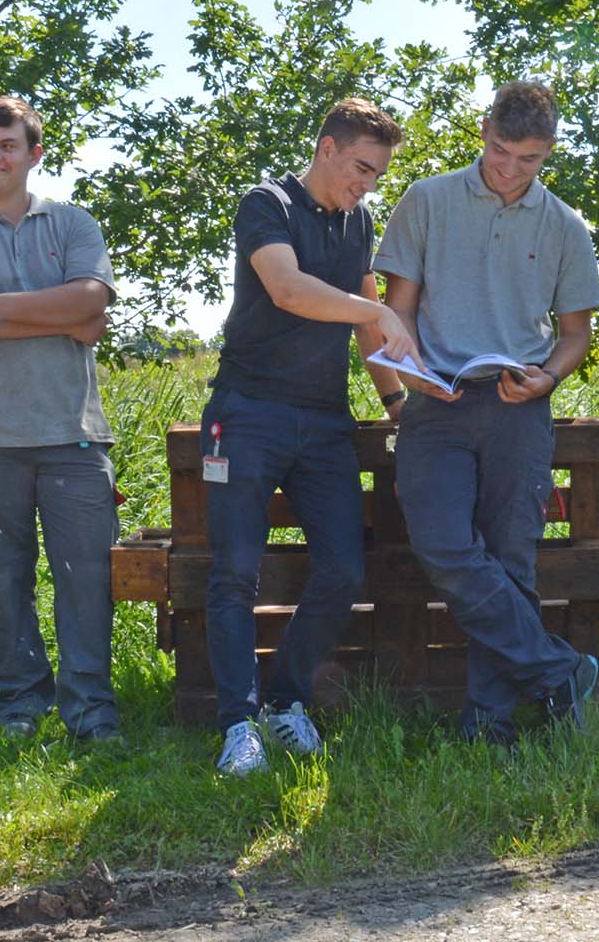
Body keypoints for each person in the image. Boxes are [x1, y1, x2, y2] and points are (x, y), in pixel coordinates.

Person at [374, 80, 599, 746]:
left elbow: (575, 334)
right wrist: (411, 377)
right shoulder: (427, 200)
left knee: (510, 560)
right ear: (483, 130)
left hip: (519, 407)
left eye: (528, 159)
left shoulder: (563, 224)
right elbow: (399, 312)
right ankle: (560, 670)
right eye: (502, 151)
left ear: (549, 153)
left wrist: (547, 378)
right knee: (442, 545)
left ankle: (491, 721)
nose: (509, 169)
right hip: (436, 404)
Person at [201, 96, 417, 776]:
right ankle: (237, 724)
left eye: (377, 174)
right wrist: (379, 304)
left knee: (344, 568)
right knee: (236, 569)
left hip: (325, 421)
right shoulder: (266, 204)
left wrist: (396, 403)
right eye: (361, 167)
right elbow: (290, 289)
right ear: (327, 148)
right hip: (247, 410)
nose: (367, 183)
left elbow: (360, 329)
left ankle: (284, 702)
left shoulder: (360, 221)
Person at [0, 96, 122, 746]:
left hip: (73, 431)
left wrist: (9, 311)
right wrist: (66, 316)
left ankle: (91, 713)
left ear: (34, 154)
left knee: (87, 578)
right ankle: (20, 709)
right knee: (1, 581)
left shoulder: (72, 223)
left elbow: (95, 302)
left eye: (5, 145)